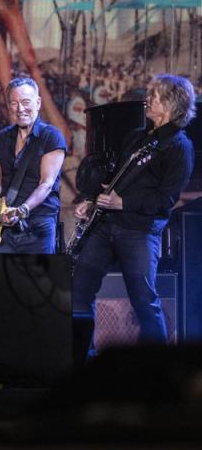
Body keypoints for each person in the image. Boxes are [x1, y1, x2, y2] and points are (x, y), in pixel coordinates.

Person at [72, 74, 196, 347]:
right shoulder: (137, 137)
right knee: (79, 290)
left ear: (172, 105)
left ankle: (158, 371)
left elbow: (166, 199)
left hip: (139, 232)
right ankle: (80, 361)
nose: (147, 100)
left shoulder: (180, 147)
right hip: (106, 226)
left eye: (155, 96)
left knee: (144, 301)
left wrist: (123, 204)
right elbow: (114, 179)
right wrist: (93, 200)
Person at [0, 77, 67, 254]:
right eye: (14, 103)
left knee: (34, 281)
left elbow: (46, 183)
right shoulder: (2, 138)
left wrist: (22, 210)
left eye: (26, 102)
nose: (20, 109)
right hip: (3, 225)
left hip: (38, 225)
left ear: (38, 102)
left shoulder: (51, 137)